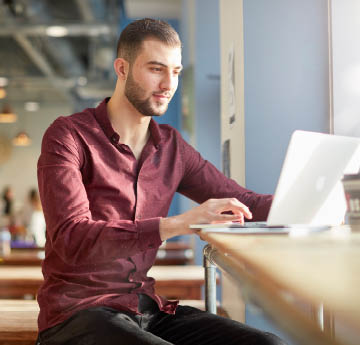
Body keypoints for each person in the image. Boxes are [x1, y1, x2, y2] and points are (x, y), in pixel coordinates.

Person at [36, 18, 287, 345]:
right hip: (75, 314)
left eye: (176, 71)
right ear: (122, 68)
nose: (169, 83)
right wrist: (175, 225)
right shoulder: (68, 136)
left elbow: (245, 204)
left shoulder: (172, 148)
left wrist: (316, 204)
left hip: (145, 309)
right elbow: (72, 239)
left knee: (269, 344)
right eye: (156, 69)